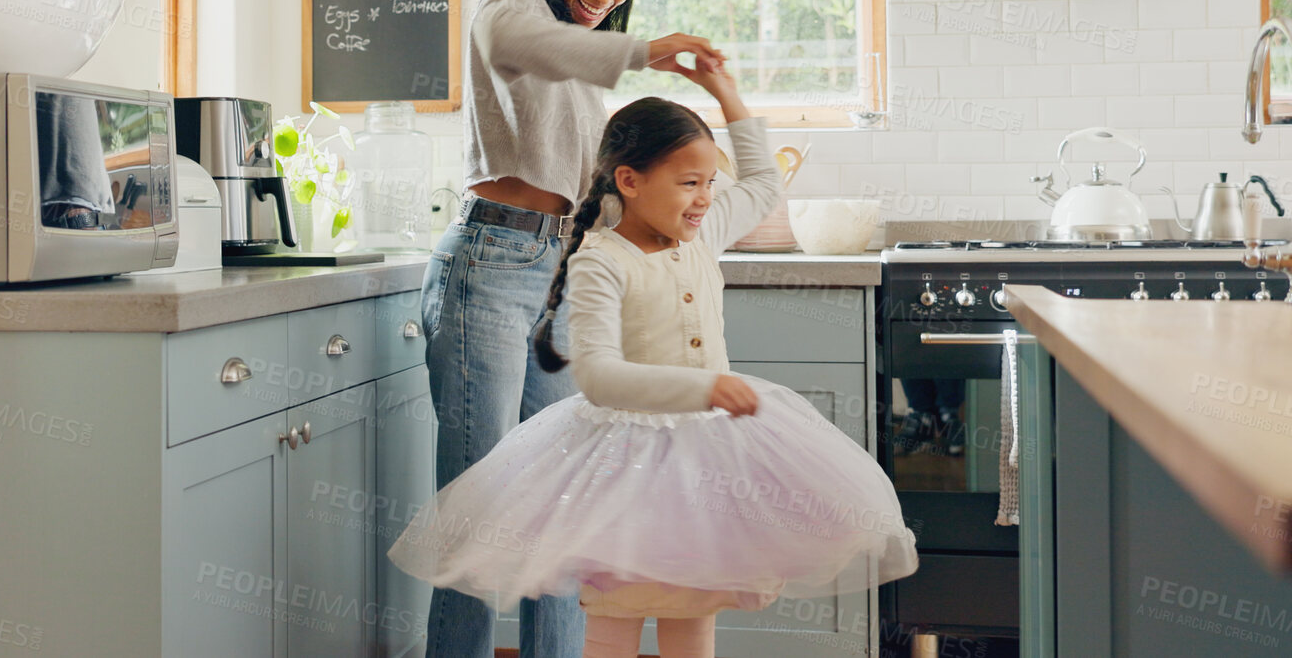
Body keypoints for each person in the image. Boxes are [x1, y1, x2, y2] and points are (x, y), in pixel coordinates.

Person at [393, 63, 919, 658]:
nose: (704, 198)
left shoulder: (706, 230)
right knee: (617, 621)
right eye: (688, 183)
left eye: (709, 182)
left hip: (709, 463)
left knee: (694, 617)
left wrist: (723, 91)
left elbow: (766, 188)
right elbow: (597, 377)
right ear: (630, 180)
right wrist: (704, 391)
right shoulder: (600, 260)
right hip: (625, 472)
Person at [421, 0, 726, 658]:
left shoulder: (588, 51)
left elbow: (597, 180)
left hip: (557, 273)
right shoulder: (510, 2)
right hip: (490, 264)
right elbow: (528, 46)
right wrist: (646, 48)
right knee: (479, 501)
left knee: (566, 497)